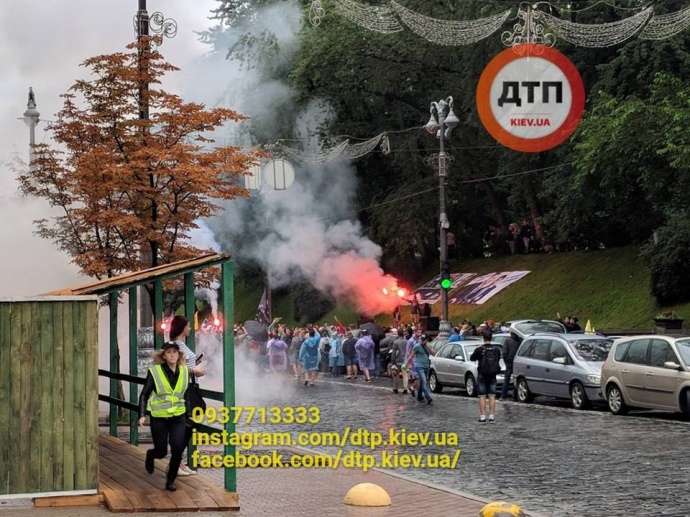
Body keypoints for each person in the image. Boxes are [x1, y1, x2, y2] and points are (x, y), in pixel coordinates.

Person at [138, 341, 190, 491]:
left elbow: (186, 395)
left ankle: (170, 481)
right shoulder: (155, 372)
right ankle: (151, 454)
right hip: (159, 417)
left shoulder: (184, 371)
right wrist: (142, 414)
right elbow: (144, 394)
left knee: (178, 448)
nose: (172, 355)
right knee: (161, 452)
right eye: (169, 352)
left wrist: (189, 415)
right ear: (164, 356)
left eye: (175, 352)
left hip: (178, 417)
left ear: (179, 355)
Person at [167, 315, 204, 477]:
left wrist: (195, 364)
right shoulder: (175, 345)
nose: (190, 328)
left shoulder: (182, 344)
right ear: (182, 328)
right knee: (188, 422)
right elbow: (176, 367)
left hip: (189, 386)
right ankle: (175, 463)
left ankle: (179, 462)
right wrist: (194, 371)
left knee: (188, 422)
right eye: (188, 326)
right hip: (184, 388)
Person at [469, 328, 502, 422]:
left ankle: (483, 416)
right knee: (492, 395)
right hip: (493, 375)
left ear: (483, 338)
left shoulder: (479, 349)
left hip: (482, 374)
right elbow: (498, 359)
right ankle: (491, 416)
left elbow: (472, 358)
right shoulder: (496, 349)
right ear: (491, 338)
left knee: (482, 396)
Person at [406, 333, 434, 404]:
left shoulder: (429, 346)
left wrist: (428, 347)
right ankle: (428, 397)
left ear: (427, 340)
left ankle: (419, 396)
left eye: (424, 340)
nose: (422, 341)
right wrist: (407, 364)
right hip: (419, 366)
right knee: (424, 382)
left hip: (426, 366)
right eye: (421, 339)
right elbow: (411, 355)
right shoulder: (417, 346)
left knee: (422, 382)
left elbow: (434, 353)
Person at [499, 328, 521, 401]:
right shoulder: (519, 341)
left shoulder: (507, 340)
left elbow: (504, 353)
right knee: (516, 378)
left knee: (507, 379)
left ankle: (503, 396)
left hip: (509, 361)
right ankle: (515, 395)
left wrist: (505, 360)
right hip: (517, 361)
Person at [389, 329, 409, 394]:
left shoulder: (396, 342)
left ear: (398, 334)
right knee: (405, 375)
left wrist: (393, 362)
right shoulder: (407, 342)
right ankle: (405, 388)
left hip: (397, 360)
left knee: (396, 375)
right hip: (405, 361)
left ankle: (396, 388)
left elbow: (394, 353)